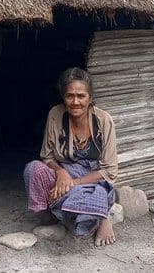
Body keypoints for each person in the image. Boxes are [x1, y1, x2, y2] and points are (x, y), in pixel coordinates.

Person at [23, 68, 119, 246]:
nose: (75, 102)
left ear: (90, 98)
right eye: (70, 96)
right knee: (33, 169)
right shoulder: (55, 115)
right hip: (64, 173)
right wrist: (61, 173)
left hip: (92, 181)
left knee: (97, 193)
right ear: (63, 97)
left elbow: (109, 171)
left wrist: (73, 183)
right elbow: (47, 156)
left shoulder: (104, 120)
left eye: (81, 96)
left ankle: (100, 217)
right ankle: (55, 215)